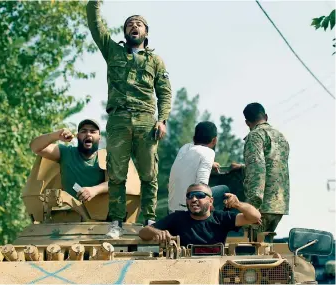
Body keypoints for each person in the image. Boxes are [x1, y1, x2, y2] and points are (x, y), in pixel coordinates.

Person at [86, 0, 173, 238]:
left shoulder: (155, 61)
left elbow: (164, 92)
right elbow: (95, 25)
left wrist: (162, 120)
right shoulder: (112, 51)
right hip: (119, 120)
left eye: (139, 24)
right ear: (125, 32)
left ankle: (150, 219)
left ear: (146, 32)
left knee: (149, 173)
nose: (134, 27)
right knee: (116, 173)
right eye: (130, 25)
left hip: (146, 120)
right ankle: (116, 221)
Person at [231, 102, 290, 239]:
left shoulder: (255, 136)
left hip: (262, 205)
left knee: (252, 250)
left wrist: (252, 205)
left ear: (247, 122)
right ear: (266, 117)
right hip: (279, 204)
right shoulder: (281, 137)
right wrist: (243, 167)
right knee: (266, 248)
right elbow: (273, 165)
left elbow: (257, 168)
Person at [139, 183, 261, 246]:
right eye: (190, 196)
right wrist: (157, 232)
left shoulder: (221, 218)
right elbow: (143, 232)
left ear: (211, 201)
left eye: (200, 195)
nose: (194, 199)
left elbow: (255, 217)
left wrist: (238, 205)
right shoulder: (177, 218)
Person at [29, 119, 107, 202]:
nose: (88, 134)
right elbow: (35, 147)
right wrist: (56, 135)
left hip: (99, 213)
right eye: (83, 131)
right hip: (69, 212)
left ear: (99, 137)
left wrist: (94, 190)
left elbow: (115, 183)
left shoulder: (106, 157)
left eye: (92, 131)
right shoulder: (66, 152)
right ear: (77, 136)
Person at [168, 121, 229, 214]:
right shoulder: (208, 153)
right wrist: (210, 206)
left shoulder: (184, 148)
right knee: (225, 190)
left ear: (193, 138)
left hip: (172, 209)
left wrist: (210, 163)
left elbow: (193, 157)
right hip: (187, 210)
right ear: (214, 140)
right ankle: (214, 223)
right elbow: (202, 185)